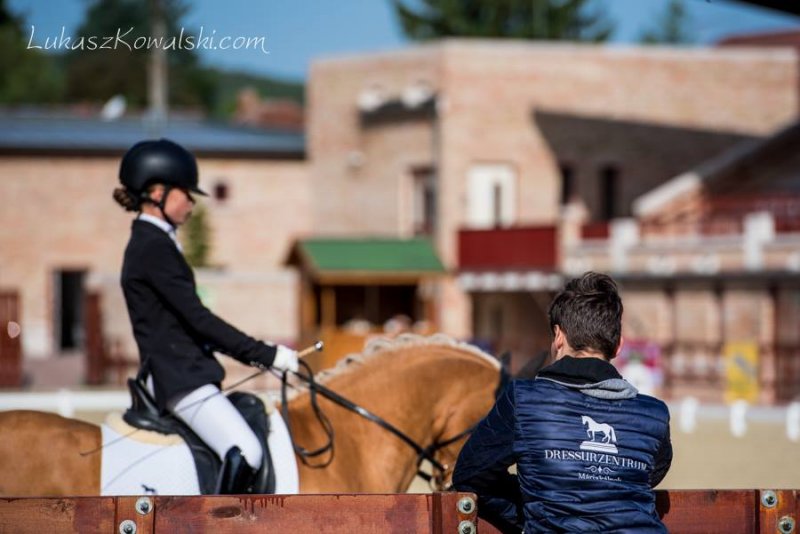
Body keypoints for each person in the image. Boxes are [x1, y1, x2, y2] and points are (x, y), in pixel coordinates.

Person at [113, 138, 299, 494]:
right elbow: (199, 319)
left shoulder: (156, 242)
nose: (192, 202)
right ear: (157, 193)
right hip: (178, 377)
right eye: (185, 192)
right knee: (246, 451)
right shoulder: (152, 247)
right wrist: (266, 354)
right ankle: (216, 521)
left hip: (183, 373)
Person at [453, 272, 672, 533]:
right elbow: (645, 477)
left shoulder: (523, 400)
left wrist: (536, 507)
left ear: (558, 336)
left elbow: (470, 474)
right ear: (618, 346)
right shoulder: (654, 415)